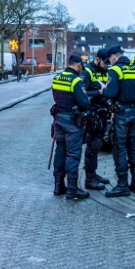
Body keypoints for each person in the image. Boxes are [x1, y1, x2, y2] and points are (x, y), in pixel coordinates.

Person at [50, 55, 91, 200]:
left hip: (58, 119)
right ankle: (72, 189)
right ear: (78, 65)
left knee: (60, 151)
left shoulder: (57, 78)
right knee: (73, 154)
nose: (81, 70)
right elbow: (84, 103)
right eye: (81, 67)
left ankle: (58, 186)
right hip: (72, 122)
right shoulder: (76, 80)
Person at [104, 45, 135, 197]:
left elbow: (111, 92)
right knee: (134, 148)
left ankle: (122, 185)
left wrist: (105, 90)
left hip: (121, 114)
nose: (110, 62)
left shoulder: (115, 70)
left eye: (110, 60)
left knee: (119, 148)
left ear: (114, 56)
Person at [81, 49, 111, 190]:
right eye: (105, 62)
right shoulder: (87, 72)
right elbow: (82, 93)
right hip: (93, 114)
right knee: (92, 146)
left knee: (97, 145)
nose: (107, 65)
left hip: (103, 112)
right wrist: (98, 92)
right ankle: (89, 179)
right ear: (98, 59)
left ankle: (93, 173)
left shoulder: (104, 71)